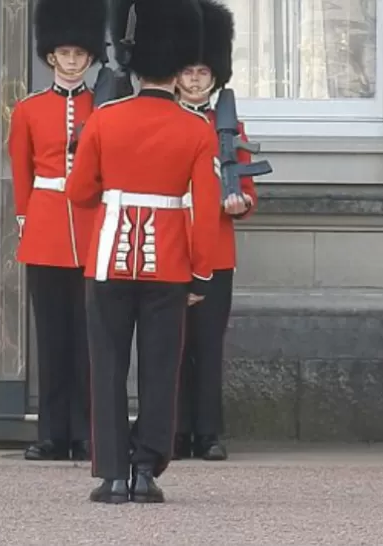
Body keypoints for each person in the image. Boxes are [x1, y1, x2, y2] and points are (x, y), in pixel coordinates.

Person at [64, 0, 221, 504]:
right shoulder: (196, 129)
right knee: (160, 369)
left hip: (108, 258)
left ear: (134, 68)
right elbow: (206, 209)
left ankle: (113, 475)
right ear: (178, 70)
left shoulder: (104, 119)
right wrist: (201, 273)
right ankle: (146, 470)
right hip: (169, 263)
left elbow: (77, 192)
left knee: (107, 366)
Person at [9, 0, 106, 463]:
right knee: (51, 338)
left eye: (78, 54)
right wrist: (25, 220)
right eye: (64, 53)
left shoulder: (103, 106)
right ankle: (52, 433)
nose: (71, 61)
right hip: (46, 227)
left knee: (89, 338)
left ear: (89, 57)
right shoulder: (28, 109)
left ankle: (86, 432)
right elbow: (21, 170)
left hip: (91, 226)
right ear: (51, 56)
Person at [173, 0, 257, 462]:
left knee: (207, 345)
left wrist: (240, 203)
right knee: (170, 345)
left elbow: (244, 184)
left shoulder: (228, 125)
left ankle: (207, 432)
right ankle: (174, 429)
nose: (194, 79)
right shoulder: (164, 120)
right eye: (187, 71)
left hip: (216, 249)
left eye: (202, 72)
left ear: (214, 75)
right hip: (169, 245)